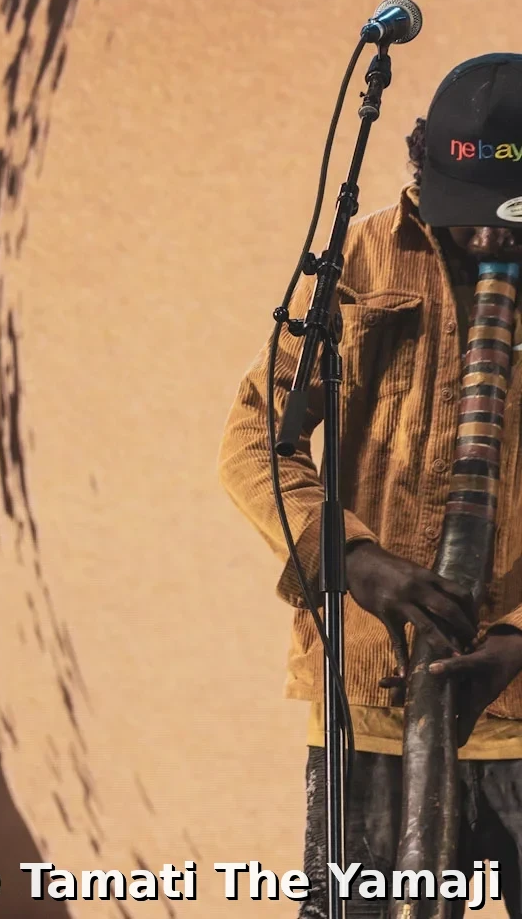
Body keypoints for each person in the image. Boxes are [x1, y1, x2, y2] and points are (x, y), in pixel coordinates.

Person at [220, 54, 522, 915]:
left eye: (516, 219)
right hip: (373, 703)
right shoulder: (362, 255)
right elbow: (253, 440)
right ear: (425, 166)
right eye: (478, 219)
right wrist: (354, 559)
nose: (495, 241)